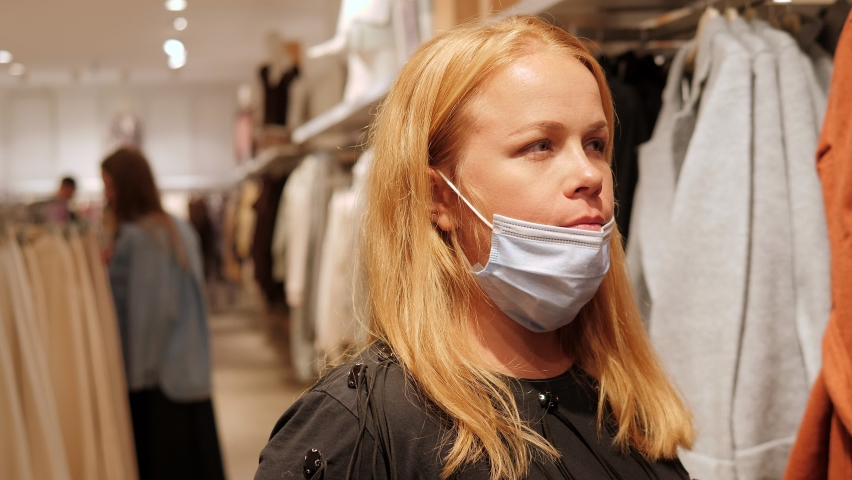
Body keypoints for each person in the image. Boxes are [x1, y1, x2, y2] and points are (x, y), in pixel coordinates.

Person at [254, 15, 694, 480]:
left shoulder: (623, 394)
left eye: (596, 144)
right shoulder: (359, 427)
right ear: (438, 198)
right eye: (540, 145)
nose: (589, 175)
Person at [102, 148, 226, 480]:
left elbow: (149, 316)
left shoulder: (139, 237)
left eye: (110, 186)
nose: (106, 195)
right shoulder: (177, 228)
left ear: (126, 186)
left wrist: (133, 380)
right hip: (188, 373)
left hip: (158, 382)